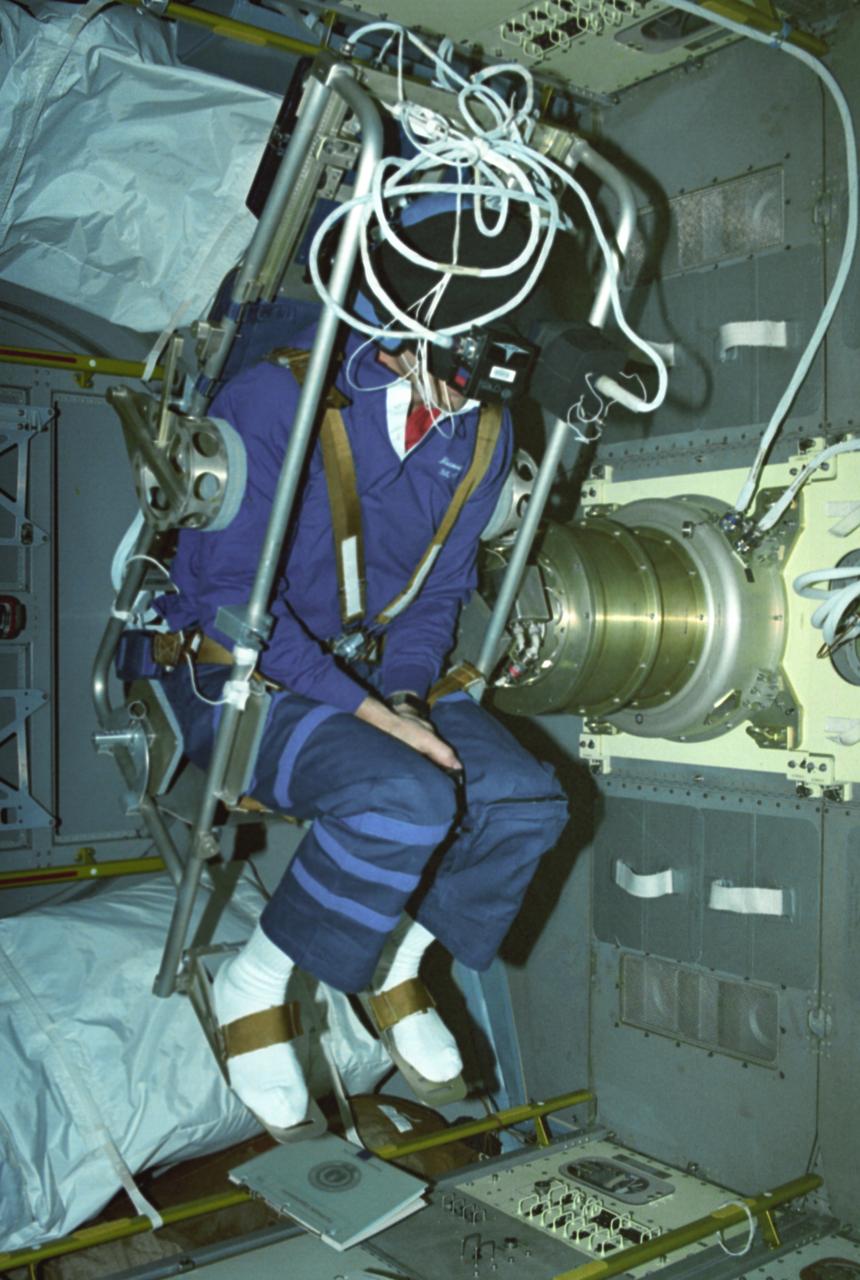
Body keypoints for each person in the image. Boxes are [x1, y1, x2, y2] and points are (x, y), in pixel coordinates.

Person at [157, 201, 569, 1132]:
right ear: (400, 335)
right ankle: (255, 980)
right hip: (239, 673)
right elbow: (231, 601)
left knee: (526, 801)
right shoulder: (275, 401)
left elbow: (433, 599)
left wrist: (409, 698)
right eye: (458, 368)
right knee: (407, 796)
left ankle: (392, 962)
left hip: (372, 673)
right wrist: (376, 719)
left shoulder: (486, 433)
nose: (463, 405)